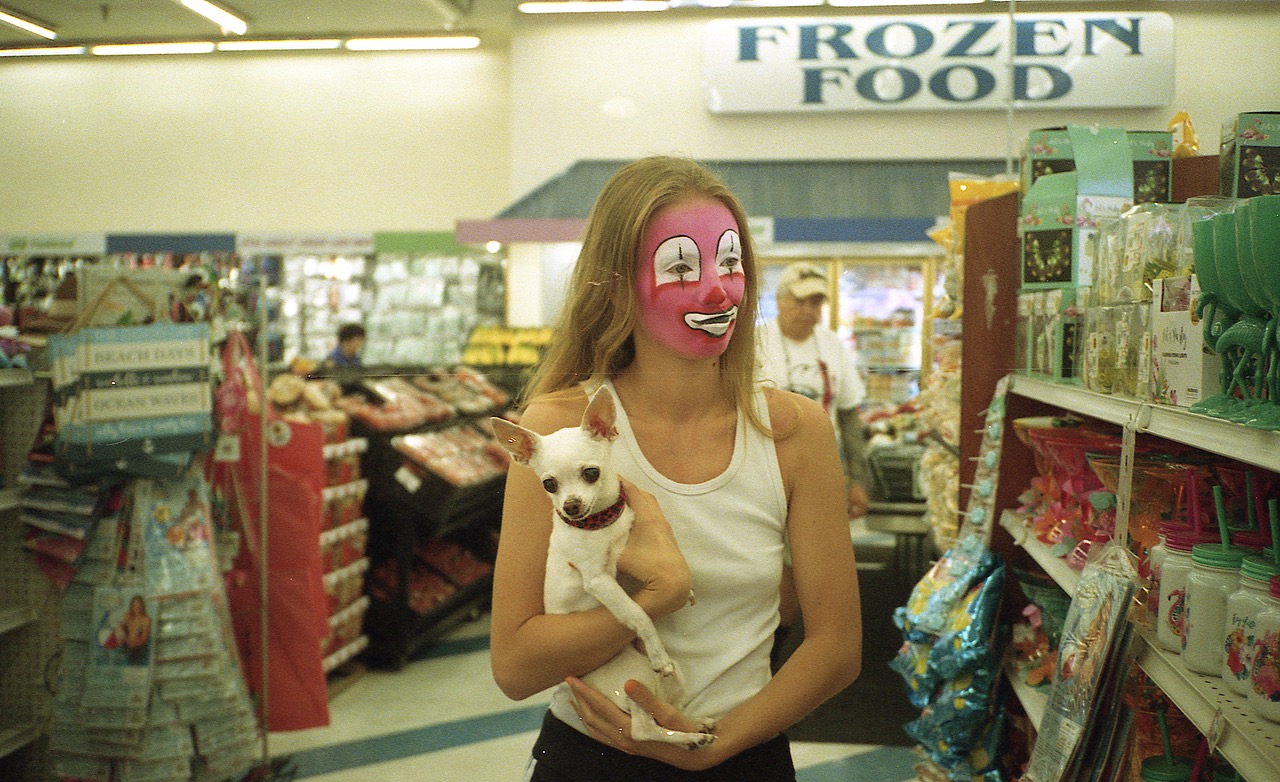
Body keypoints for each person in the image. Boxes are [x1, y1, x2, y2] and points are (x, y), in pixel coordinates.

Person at [489, 156, 862, 780]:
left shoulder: (794, 432)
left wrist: (716, 743)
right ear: (615, 285)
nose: (717, 289)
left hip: (743, 754)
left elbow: (837, 647)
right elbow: (516, 665)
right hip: (590, 760)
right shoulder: (556, 434)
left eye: (730, 262)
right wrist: (655, 599)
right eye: (682, 267)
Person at [757, 262, 874, 520]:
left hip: (820, 467)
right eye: (799, 301)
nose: (808, 311)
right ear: (779, 301)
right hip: (764, 471)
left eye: (815, 303)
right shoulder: (755, 343)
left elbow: (849, 417)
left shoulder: (833, 347)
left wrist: (858, 481)